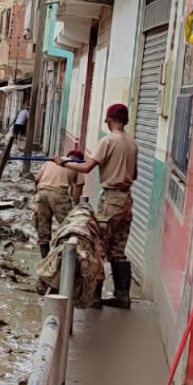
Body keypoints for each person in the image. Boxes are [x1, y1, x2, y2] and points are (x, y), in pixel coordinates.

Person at [54, 103, 138, 309]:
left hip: (111, 199)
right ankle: (122, 295)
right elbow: (134, 174)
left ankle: (95, 297)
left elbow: (87, 166)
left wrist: (63, 162)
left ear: (109, 120)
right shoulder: (132, 143)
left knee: (97, 246)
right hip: (127, 199)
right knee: (118, 249)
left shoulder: (108, 140)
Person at [34, 149, 85, 258]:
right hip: (59, 195)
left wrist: (38, 193)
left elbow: (37, 179)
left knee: (43, 232)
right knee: (69, 228)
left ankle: (45, 261)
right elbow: (78, 189)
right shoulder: (77, 165)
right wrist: (76, 207)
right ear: (80, 160)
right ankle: (64, 259)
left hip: (42, 192)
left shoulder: (51, 162)